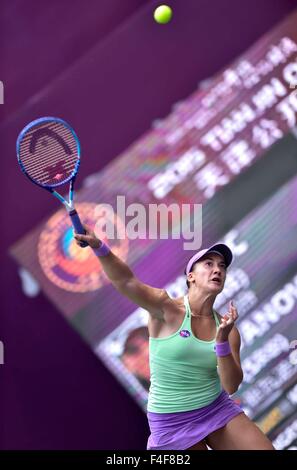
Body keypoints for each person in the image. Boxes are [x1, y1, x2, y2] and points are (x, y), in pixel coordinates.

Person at [74, 228, 275, 450]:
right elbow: (126, 281)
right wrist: (98, 246)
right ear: (191, 276)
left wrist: (222, 342)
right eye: (209, 264)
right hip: (172, 424)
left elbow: (231, 385)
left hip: (216, 409)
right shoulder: (165, 308)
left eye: (222, 266)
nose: (217, 269)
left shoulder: (228, 330)